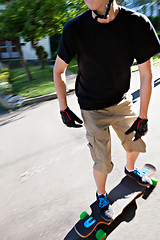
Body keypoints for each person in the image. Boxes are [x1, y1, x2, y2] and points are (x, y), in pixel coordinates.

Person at [54, 0, 160, 222]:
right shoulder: (75, 28)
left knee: (136, 142)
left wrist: (143, 116)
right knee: (102, 160)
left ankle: (130, 170)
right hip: (91, 106)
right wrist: (63, 107)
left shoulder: (137, 23)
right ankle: (101, 195)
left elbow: (146, 74)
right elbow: (59, 70)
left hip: (121, 101)